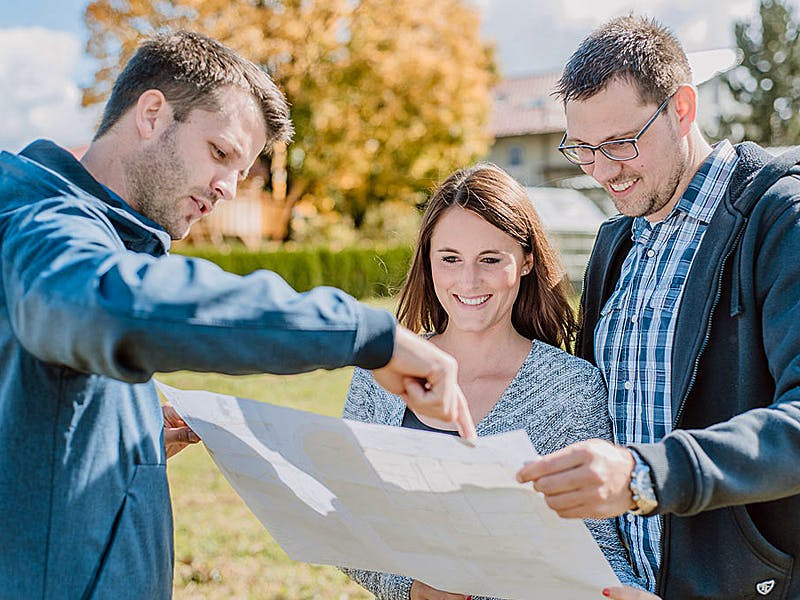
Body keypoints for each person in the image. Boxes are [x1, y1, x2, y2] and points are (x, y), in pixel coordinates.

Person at [0, 30, 475, 599]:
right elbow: (114, 305)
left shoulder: (90, 233)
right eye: (220, 153)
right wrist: (368, 335)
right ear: (151, 113)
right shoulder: (42, 224)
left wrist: (128, 436)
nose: (227, 188)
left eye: (240, 171)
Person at [516, 15, 800, 600]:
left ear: (682, 109)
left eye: (620, 143)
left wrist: (648, 476)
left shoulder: (780, 220)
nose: (602, 171)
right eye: (583, 149)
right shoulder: (615, 245)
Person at [340, 163, 646, 599]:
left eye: (490, 259)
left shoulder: (569, 388)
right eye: (450, 259)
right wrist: (411, 590)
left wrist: (621, 591)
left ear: (525, 262)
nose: (468, 281)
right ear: (428, 261)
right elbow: (349, 523)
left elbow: (598, 546)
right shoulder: (380, 374)